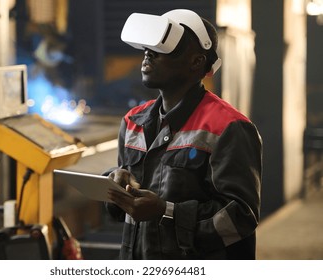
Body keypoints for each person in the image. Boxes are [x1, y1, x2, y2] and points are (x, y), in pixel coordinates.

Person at [105, 9, 262, 260]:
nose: (149, 53)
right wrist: (115, 184)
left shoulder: (228, 127)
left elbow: (240, 219)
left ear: (196, 61)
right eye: (149, 46)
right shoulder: (133, 121)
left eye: (165, 47)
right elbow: (122, 208)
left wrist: (164, 211)